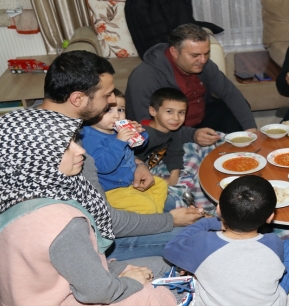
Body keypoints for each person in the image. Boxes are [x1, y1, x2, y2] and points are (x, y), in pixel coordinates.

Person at [0, 107, 176, 304]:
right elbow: (99, 292)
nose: (80, 150)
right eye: (66, 146)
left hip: (34, 293)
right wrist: (131, 282)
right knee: (161, 282)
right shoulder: (63, 221)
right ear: (36, 158)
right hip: (71, 296)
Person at [24, 51, 204, 261]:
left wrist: (138, 164)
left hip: (97, 213)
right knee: (193, 237)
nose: (112, 100)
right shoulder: (69, 144)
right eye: (107, 95)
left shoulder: (35, 118)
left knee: (176, 206)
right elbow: (106, 220)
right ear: (78, 98)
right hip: (76, 243)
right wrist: (168, 221)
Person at [163, 176, 289, 305]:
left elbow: (170, 248)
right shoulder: (274, 242)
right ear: (270, 217)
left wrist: (205, 223)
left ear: (218, 209)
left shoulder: (202, 243)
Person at [126, 23, 257, 146]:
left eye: (206, 53)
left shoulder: (202, 64)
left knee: (236, 109)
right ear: (174, 52)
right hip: (168, 132)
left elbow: (230, 93)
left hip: (199, 119)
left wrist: (251, 129)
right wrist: (192, 135)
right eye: (195, 55)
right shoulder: (145, 78)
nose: (203, 60)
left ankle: (232, 151)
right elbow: (147, 126)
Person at [81, 89, 169, 215]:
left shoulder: (118, 130)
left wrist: (139, 133)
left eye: (121, 110)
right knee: (147, 206)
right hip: (112, 191)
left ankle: (155, 215)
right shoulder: (89, 136)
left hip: (132, 181)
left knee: (161, 184)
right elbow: (104, 167)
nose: (117, 115)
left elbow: (140, 145)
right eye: (108, 110)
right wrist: (120, 141)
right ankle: (154, 216)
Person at [134, 87, 188, 187]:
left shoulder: (173, 129)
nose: (176, 118)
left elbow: (175, 154)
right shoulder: (143, 134)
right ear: (153, 111)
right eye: (169, 111)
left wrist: (173, 178)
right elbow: (127, 160)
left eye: (181, 112)